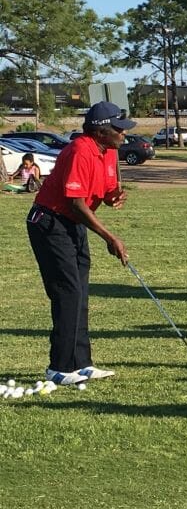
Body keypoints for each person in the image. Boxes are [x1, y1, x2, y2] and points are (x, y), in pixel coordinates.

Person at [26, 101, 133, 386]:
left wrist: (112, 197)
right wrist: (110, 237)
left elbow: (101, 192)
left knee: (80, 292)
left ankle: (81, 363)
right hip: (50, 223)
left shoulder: (109, 151)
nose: (124, 135)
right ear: (100, 132)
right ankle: (58, 368)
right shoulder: (79, 151)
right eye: (119, 130)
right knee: (67, 292)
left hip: (73, 224)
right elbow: (75, 203)